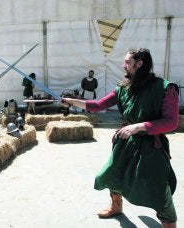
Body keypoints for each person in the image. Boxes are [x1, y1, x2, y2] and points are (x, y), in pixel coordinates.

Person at [62, 48, 179, 228]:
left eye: (127, 62)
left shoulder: (164, 88)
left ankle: (169, 223)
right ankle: (116, 206)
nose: (123, 65)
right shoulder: (124, 87)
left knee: (157, 188)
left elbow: (171, 122)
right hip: (125, 142)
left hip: (151, 145)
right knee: (111, 173)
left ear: (140, 64)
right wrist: (73, 101)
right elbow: (99, 105)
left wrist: (139, 126)